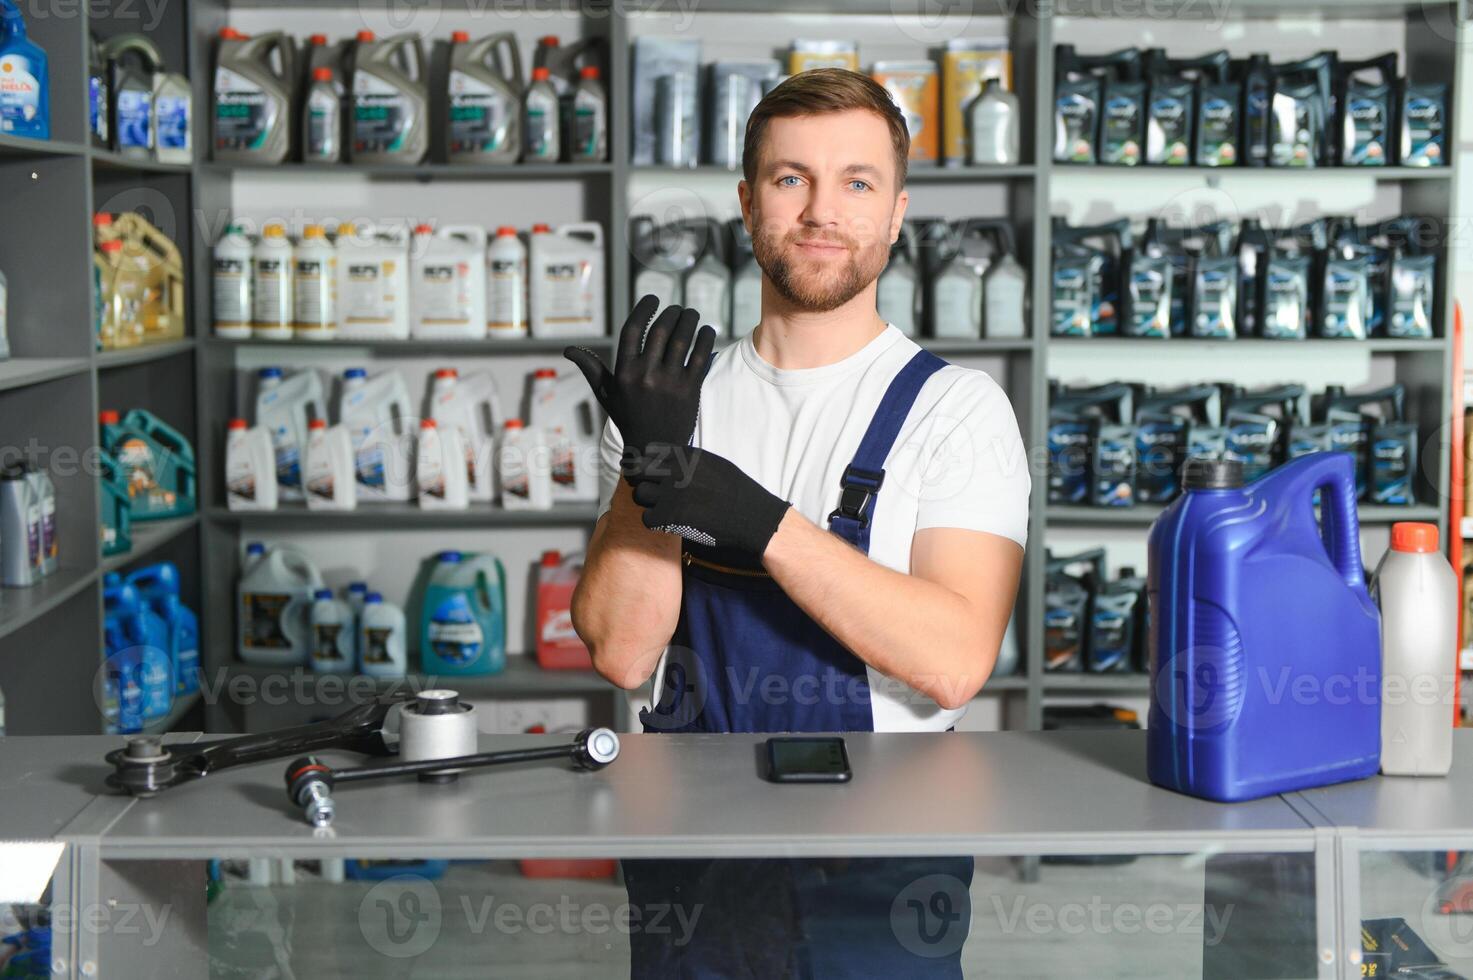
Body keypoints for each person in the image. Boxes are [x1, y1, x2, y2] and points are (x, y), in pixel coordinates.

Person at [565, 67, 1030, 978]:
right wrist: (647, 465)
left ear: (896, 211)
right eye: (790, 179)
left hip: (882, 858)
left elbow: (953, 659)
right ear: (748, 204)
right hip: (691, 846)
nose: (822, 211)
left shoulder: (957, 410)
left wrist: (758, 522)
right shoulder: (672, 399)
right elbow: (622, 653)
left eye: (856, 182)